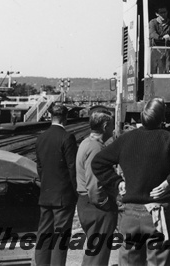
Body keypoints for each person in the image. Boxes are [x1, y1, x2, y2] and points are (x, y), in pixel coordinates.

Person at [91, 97, 170, 266]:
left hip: (130, 216)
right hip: (158, 214)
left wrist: (117, 182)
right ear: (162, 118)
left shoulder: (126, 139)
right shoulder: (167, 139)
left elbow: (98, 163)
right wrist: (168, 182)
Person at [34, 102, 78, 266]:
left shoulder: (41, 138)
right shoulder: (67, 137)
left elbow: (39, 167)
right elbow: (72, 168)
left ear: (51, 117)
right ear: (65, 118)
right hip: (63, 197)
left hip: (45, 194)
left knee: (44, 236)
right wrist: (77, 192)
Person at [75, 109, 118, 266]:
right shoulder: (96, 148)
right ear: (105, 125)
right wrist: (106, 204)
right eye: (112, 126)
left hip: (85, 203)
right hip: (96, 206)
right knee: (98, 256)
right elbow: (94, 184)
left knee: (94, 251)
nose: (113, 130)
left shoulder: (86, 143)